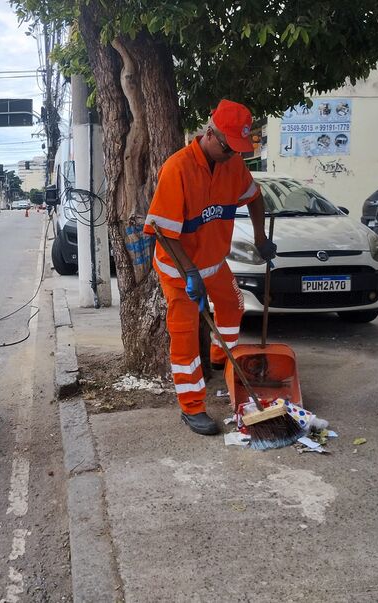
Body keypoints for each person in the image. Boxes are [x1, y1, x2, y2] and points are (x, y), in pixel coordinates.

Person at [143, 99, 276, 436]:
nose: (236, 156)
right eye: (231, 148)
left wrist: (261, 238)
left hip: (214, 263)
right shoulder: (177, 169)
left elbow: (255, 197)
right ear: (211, 134)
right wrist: (189, 274)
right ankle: (191, 407)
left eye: (240, 150)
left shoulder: (233, 166)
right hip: (178, 269)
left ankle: (222, 358)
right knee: (185, 335)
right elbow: (162, 230)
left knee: (233, 305)